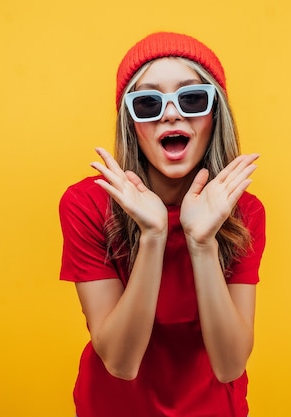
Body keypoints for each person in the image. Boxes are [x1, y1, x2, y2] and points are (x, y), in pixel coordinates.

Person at [59, 31, 266, 417]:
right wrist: (153, 236)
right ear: (131, 124)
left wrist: (201, 243)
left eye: (191, 98)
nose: (171, 114)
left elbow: (230, 365)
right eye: (149, 103)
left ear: (214, 114)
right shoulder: (86, 205)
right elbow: (121, 363)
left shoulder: (243, 213)